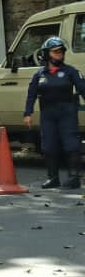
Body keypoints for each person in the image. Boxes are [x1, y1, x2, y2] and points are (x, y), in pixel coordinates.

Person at [25, 37, 85, 189]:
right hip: (48, 115)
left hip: (67, 113)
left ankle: (73, 178)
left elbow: (83, 89)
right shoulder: (39, 75)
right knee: (49, 146)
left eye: (61, 52)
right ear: (47, 54)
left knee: (71, 144)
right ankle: (53, 178)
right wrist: (28, 113)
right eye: (55, 52)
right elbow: (31, 94)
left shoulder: (70, 72)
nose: (59, 55)